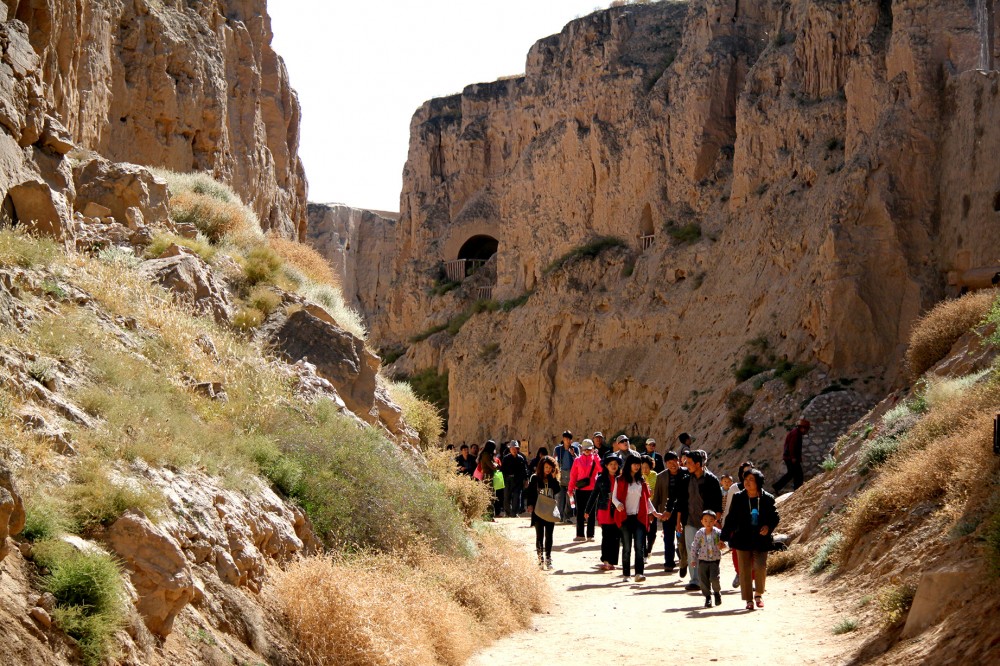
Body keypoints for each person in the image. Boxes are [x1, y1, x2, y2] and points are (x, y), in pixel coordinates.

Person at [722, 468, 780, 611]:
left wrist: (768, 527)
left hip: (761, 539)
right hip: (742, 538)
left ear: (758, 482)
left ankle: (758, 594)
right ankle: (748, 599)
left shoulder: (767, 498)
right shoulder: (738, 497)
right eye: (745, 479)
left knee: (760, 566)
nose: (747, 482)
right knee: (744, 569)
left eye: (751, 480)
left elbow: (775, 517)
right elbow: (731, 519)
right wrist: (723, 537)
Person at [680, 450, 723, 591]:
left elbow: (718, 502)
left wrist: (717, 521)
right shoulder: (686, 480)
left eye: (690, 463)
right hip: (690, 520)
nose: (687, 465)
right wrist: (678, 522)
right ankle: (695, 580)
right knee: (692, 548)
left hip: (708, 523)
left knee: (710, 551)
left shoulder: (711, 480)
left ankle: (709, 577)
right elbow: (681, 502)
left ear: (698, 464)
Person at [613, 454, 654, 582]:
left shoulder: (641, 481)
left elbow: (646, 500)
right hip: (625, 517)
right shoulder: (619, 480)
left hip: (639, 517)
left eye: (638, 464)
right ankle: (626, 574)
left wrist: (654, 512)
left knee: (639, 546)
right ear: (629, 464)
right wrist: (618, 504)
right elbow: (614, 497)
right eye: (635, 464)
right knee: (626, 547)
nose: (637, 466)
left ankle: (639, 573)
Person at [651, 450, 688, 573]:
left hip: (683, 511)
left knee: (682, 538)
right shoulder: (661, 476)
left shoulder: (686, 473)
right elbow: (656, 496)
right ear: (666, 463)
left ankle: (683, 559)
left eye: (675, 461)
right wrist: (653, 513)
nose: (673, 464)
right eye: (669, 462)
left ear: (679, 461)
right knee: (668, 538)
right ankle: (669, 562)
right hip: (666, 512)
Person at [585, 453, 622, 571]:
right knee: (606, 536)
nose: (613, 466)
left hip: (618, 511)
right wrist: (587, 510)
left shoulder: (621, 479)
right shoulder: (600, 479)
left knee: (616, 537)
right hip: (604, 510)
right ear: (606, 466)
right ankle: (605, 561)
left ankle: (612, 562)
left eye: (615, 464)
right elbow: (594, 495)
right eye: (611, 464)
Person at [525, 455, 561, 570]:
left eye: (550, 468)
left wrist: (554, 478)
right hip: (538, 510)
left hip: (549, 510)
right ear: (542, 467)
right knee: (539, 536)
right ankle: (540, 560)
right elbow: (530, 492)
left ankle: (548, 558)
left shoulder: (552, 478)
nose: (548, 469)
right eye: (546, 467)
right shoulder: (535, 478)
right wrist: (530, 505)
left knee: (549, 535)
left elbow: (557, 490)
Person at [721, 462, 754, 588]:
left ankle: (750, 580)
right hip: (737, 527)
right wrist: (725, 526)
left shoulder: (758, 487)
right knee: (736, 552)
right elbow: (728, 508)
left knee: (753, 554)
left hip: (753, 526)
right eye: (745, 472)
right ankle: (739, 573)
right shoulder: (735, 488)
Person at [690, 510, 724, 608]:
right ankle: (708, 598)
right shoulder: (699, 533)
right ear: (702, 521)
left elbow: (724, 543)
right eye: (706, 520)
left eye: (711, 521)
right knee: (703, 580)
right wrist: (693, 559)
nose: (708, 523)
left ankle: (717, 593)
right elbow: (695, 546)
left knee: (714, 578)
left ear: (715, 521)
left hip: (714, 559)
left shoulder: (718, 533)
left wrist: (723, 545)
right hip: (702, 560)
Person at [569, 439, 601, 542]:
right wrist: (570, 488)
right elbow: (573, 475)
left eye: (589, 449)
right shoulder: (577, 460)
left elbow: (601, 469)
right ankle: (580, 534)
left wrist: (596, 456)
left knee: (591, 512)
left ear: (592, 449)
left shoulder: (595, 459)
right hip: (580, 489)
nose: (587, 451)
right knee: (580, 511)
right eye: (585, 449)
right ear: (582, 449)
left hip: (592, 490)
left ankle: (590, 535)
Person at [774, 419, 810, 493]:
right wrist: (793, 457)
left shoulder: (796, 433)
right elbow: (791, 446)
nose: (806, 431)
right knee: (798, 474)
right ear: (802, 428)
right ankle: (797, 490)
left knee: (792, 473)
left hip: (789, 457)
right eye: (806, 429)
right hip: (791, 458)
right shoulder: (796, 434)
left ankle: (777, 486)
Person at [553, 431, 580, 524]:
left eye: (569, 439)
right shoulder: (557, 449)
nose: (567, 441)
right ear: (563, 439)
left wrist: (573, 454)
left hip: (571, 475)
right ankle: (559, 516)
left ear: (571, 440)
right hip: (560, 475)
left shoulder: (575, 449)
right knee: (559, 497)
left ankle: (567, 516)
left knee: (570, 498)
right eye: (565, 439)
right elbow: (554, 461)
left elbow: (578, 461)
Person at [501, 441, 530, 517]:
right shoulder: (506, 458)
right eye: (512, 448)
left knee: (517, 496)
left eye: (515, 448)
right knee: (507, 496)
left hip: (518, 480)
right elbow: (502, 470)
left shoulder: (521, 458)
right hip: (508, 480)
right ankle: (507, 512)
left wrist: (526, 479)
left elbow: (524, 470)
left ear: (518, 449)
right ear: (510, 449)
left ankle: (514, 513)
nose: (514, 450)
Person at [477, 441, 501, 521]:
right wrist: (497, 465)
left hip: (489, 477)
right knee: (490, 497)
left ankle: (488, 516)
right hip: (488, 478)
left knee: (490, 497)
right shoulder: (486, 455)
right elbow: (493, 466)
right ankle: (489, 517)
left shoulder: (487, 455)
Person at [641, 455, 657, 560]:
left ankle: (649, 549)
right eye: (642, 467)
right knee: (642, 531)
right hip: (641, 508)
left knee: (652, 532)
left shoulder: (655, 475)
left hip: (653, 506)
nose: (645, 469)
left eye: (646, 467)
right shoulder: (638, 477)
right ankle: (644, 554)